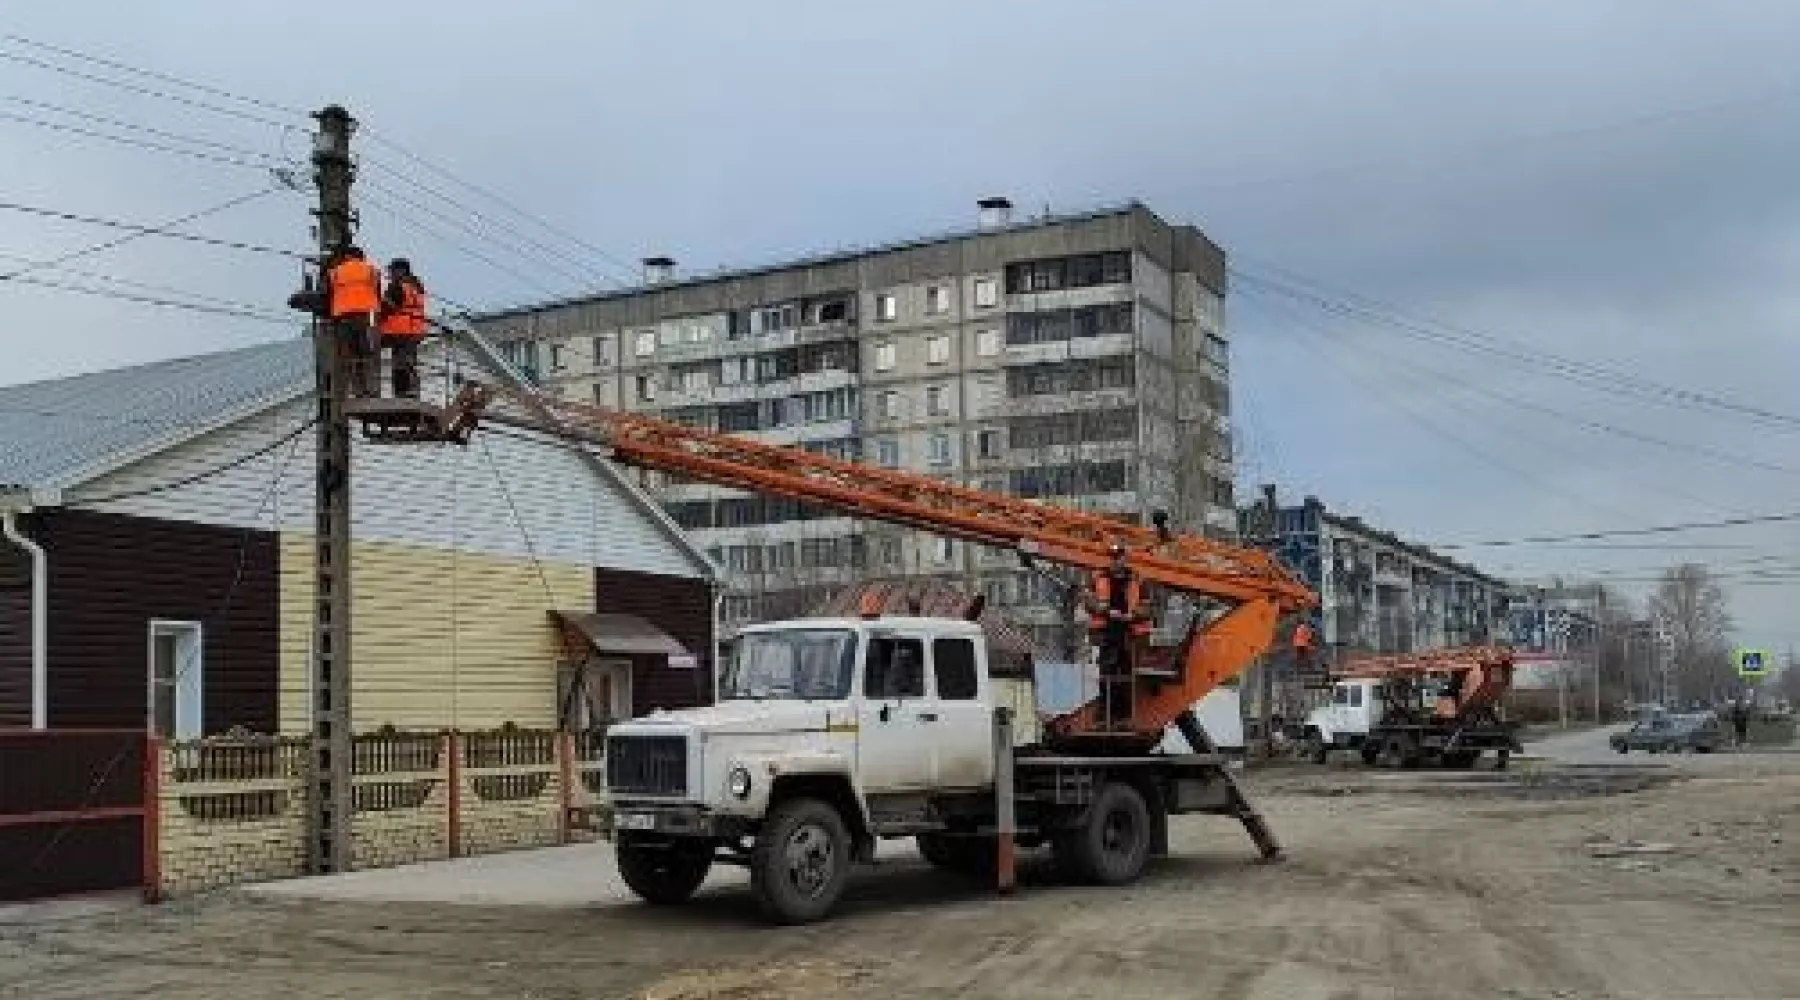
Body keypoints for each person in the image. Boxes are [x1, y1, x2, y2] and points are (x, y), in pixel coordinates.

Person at [325, 246, 382, 396]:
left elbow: (326, 296)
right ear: (361, 256)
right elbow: (378, 294)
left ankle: (358, 390)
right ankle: (372, 389)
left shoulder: (335, 272)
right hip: (366, 316)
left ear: (347, 256)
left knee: (349, 355)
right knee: (368, 353)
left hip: (343, 318)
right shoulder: (371, 270)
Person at [376, 258, 429, 398]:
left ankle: (401, 393)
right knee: (408, 363)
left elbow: (385, 309)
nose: (390, 274)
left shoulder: (397, 287)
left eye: (392, 271)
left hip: (399, 330)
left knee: (399, 364)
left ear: (401, 271)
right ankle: (412, 391)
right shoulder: (416, 288)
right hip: (415, 330)